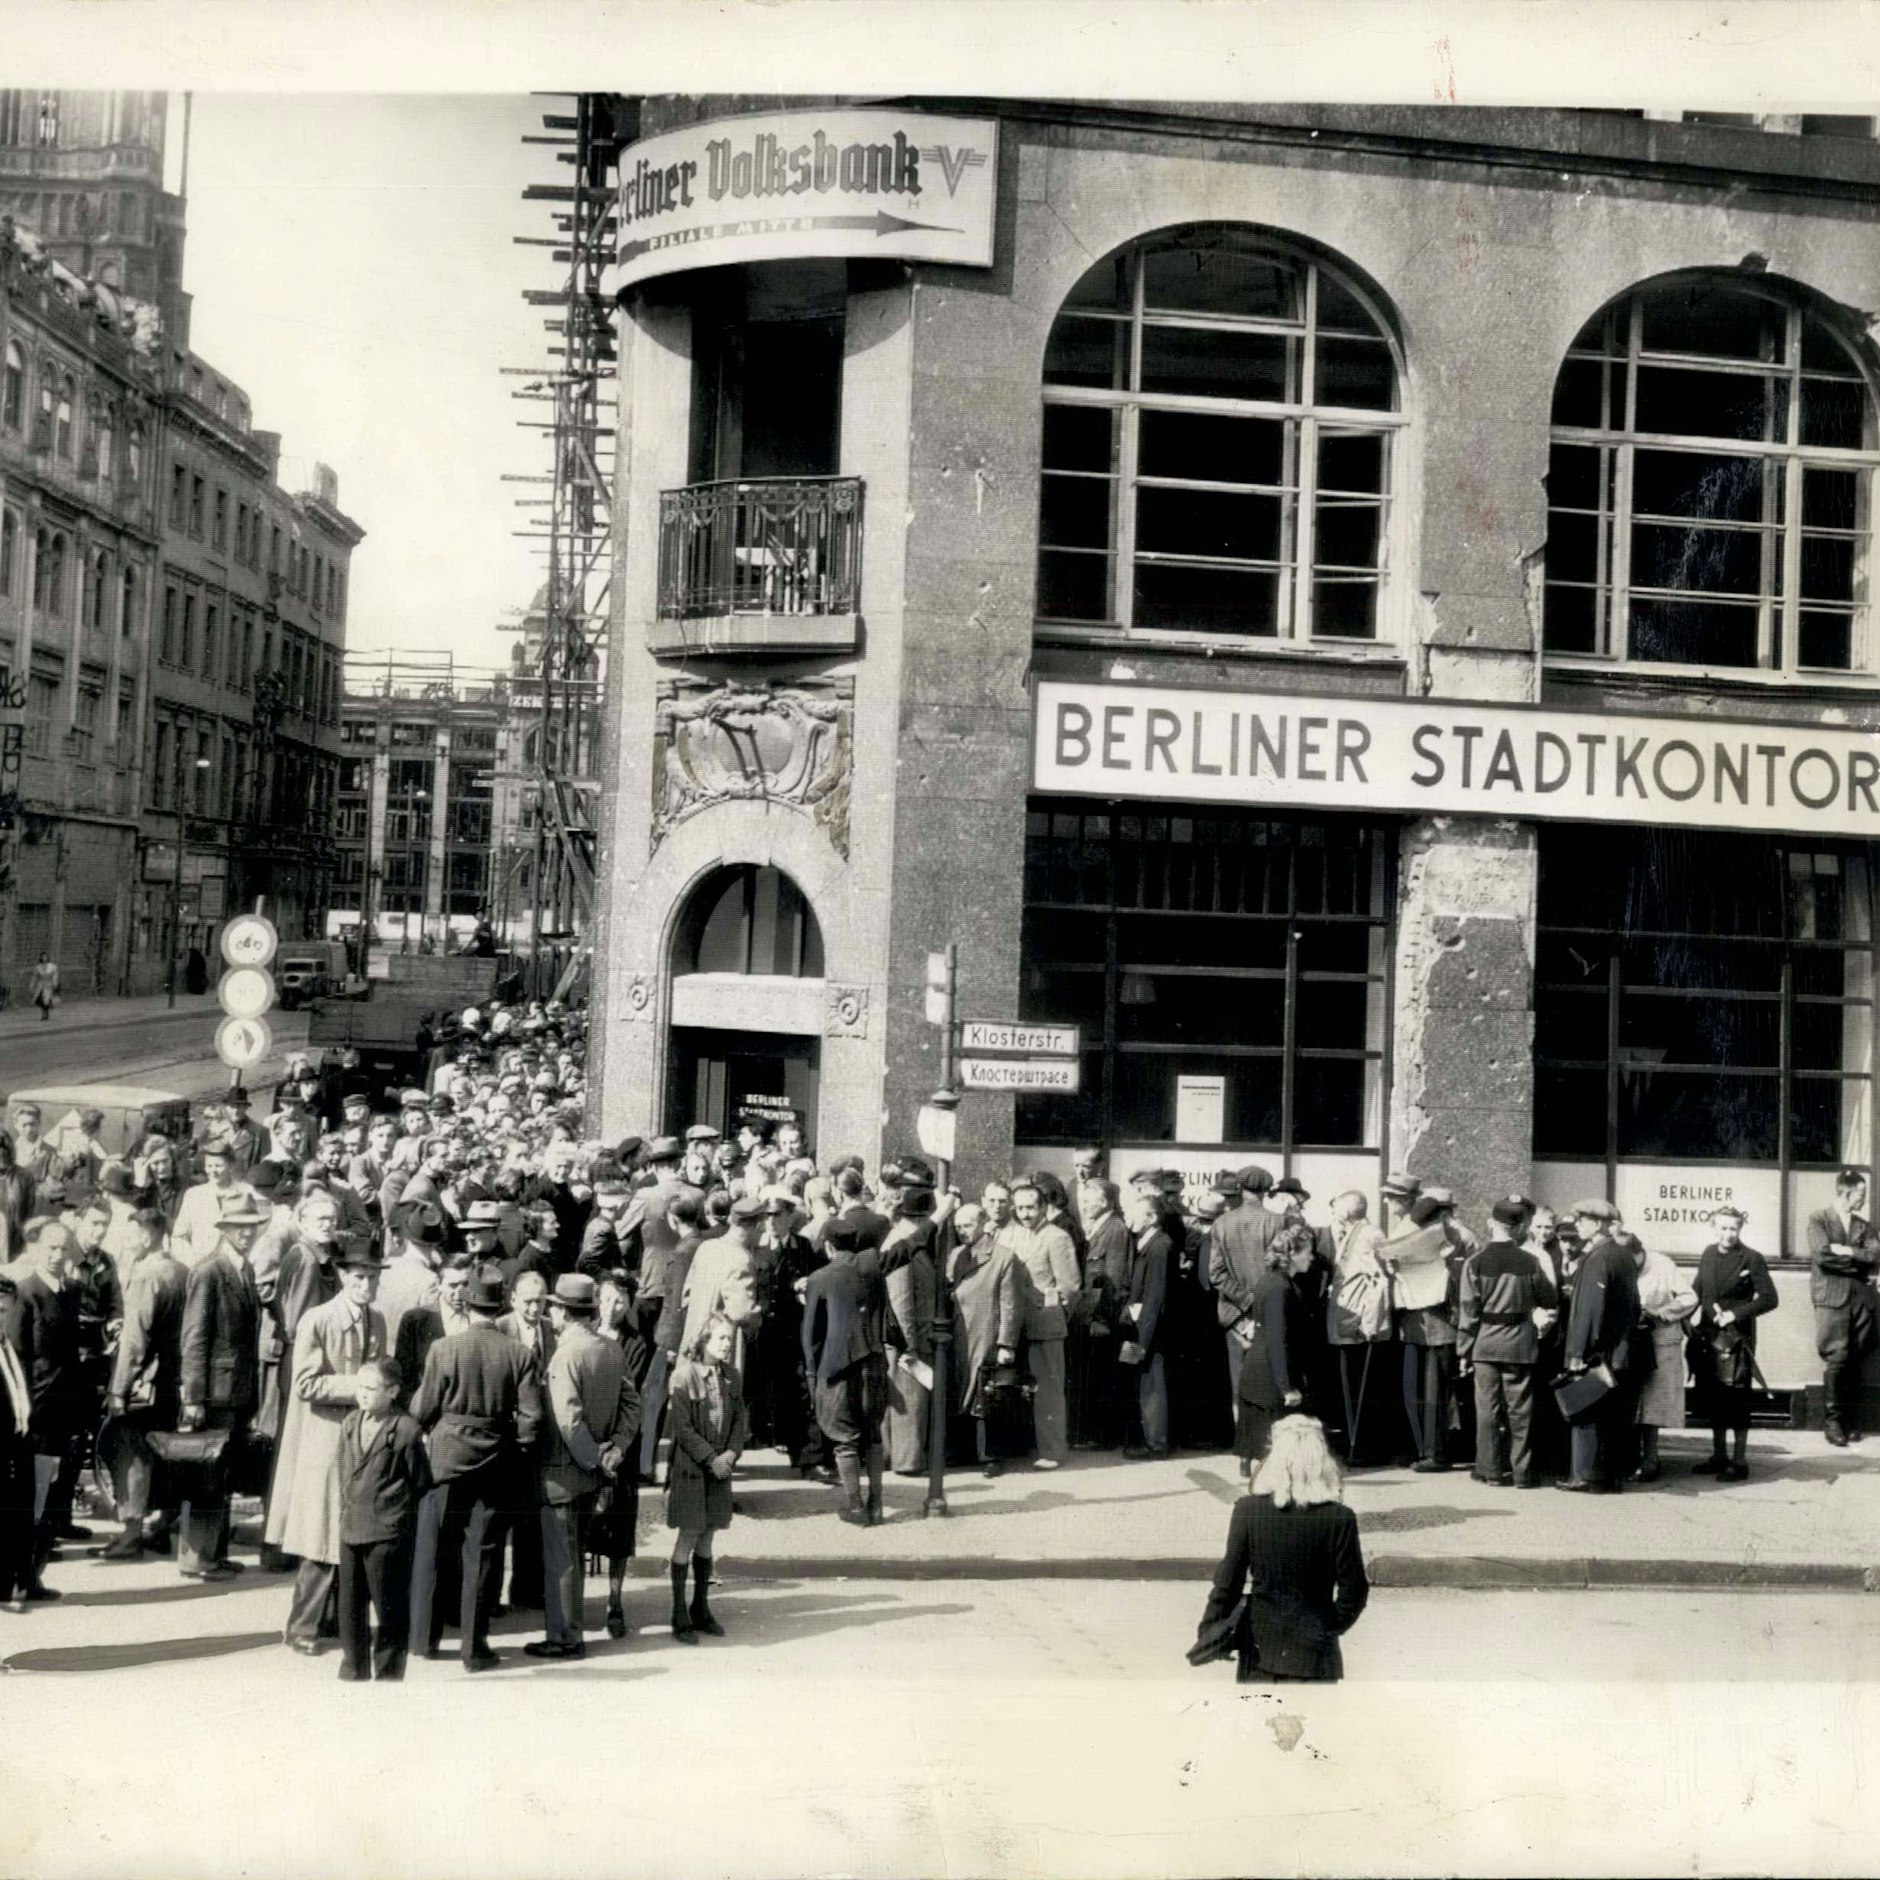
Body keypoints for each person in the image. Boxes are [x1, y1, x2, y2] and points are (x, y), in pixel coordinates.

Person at [410, 1268, 544, 1672]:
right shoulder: (519, 1354)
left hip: (446, 1460)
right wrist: (515, 1446)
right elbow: (532, 1419)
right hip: (495, 1464)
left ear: (467, 1305)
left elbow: (421, 1409)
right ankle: (474, 1648)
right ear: (501, 1306)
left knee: (435, 1549)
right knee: (483, 1555)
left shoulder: (443, 1349)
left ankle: (424, 1640)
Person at [269, 1243, 389, 1655]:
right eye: (359, 1277)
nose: (366, 1285)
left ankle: (340, 1619)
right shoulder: (318, 1320)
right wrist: (360, 1387)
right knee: (319, 1536)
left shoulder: (377, 1320)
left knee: (352, 1533)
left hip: (361, 1440)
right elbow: (305, 1383)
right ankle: (302, 1627)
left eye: (373, 1277)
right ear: (341, 1276)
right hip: (323, 1441)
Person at [1193, 1415, 1369, 1684]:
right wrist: (1328, 1627)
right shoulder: (1339, 1517)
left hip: (1260, 1649)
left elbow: (1228, 1580)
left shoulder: (1248, 1510)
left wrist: (1210, 1630)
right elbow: (1354, 1591)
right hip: (1314, 1656)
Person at [528, 1273, 640, 1660]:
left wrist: (596, 1459)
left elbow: (569, 1421)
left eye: (554, 1308)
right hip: (593, 1475)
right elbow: (633, 1404)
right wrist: (615, 1450)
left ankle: (566, 1638)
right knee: (573, 1555)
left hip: (563, 1474)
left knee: (563, 1559)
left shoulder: (565, 1356)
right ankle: (569, 1631)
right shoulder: (610, 1349)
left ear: (563, 1311)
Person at [176, 1195, 267, 1581]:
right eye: (238, 1227)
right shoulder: (209, 1271)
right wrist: (194, 1395)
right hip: (214, 1392)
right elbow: (194, 1338)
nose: (246, 1233)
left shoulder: (244, 1269)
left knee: (222, 1473)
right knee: (206, 1474)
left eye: (251, 1226)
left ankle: (214, 1553)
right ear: (224, 1229)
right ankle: (196, 1557)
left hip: (237, 1391)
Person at [335, 1357, 429, 1682]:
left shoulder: (406, 1430)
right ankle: (354, 1670)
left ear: (392, 1391)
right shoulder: (350, 1423)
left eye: (371, 1388)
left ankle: (389, 1673)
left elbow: (420, 1481)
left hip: (387, 1533)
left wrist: (395, 1514)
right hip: (351, 1528)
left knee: (389, 1608)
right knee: (349, 1607)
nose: (363, 1394)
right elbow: (343, 1470)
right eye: (360, 1387)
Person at [101, 1206, 187, 1561]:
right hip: (172, 1380)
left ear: (148, 1236)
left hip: (144, 1382)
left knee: (130, 1454)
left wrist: (118, 1389)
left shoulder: (146, 1275)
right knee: (162, 1454)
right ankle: (161, 1528)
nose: (126, 1243)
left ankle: (131, 1534)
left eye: (131, 1236)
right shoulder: (181, 1270)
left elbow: (135, 1341)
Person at [1456, 1198, 1557, 1488]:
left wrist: (1464, 1350)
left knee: (1487, 1410)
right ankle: (1522, 1472)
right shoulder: (1531, 1261)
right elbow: (1549, 1298)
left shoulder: (1475, 1263)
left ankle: (1490, 1470)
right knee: (1520, 1410)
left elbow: (1468, 1311)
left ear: (1492, 1224)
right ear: (1520, 1227)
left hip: (1486, 1343)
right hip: (1520, 1344)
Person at [665, 1312, 747, 1643]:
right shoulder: (683, 1377)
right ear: (705, 1339)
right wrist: (711, 1459)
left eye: (730, 1338)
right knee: (689, 1535)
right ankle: (678, 1613)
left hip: (719, 1471)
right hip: (692, 1472)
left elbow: (740, 1421)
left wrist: (731, 1454)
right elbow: (682, 1429)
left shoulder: (732, 1377)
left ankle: (700, 1607)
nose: (727, 1344)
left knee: (708, 1535)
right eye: (721, 1338)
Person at [802, 1219, 890, 1526]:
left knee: (845, 1440)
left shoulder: (820, 1278)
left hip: (837, 1367)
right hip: (874, 1361)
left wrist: (812, 1374)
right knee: (873, 1434)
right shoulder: (873, 1272)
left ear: (828, 1246)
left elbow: (810, 1334)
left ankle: (855, 1506)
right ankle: (877, 1503)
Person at [1557, 1198, 1643, 1494]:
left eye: (1583, 1220)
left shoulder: (1597, 1258)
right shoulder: (1623, 1255)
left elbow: (1590, 1311)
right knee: (1613, 1417)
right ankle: (1609, 1477)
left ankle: (1584, 1475)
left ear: (1598, 1224)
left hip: (1598, 1352)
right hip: (1620, 1350)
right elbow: (1634, 1306)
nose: (1578, 1225)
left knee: (1586, 1412)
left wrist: (1577, 1353)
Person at [12, 1220, 79, 1594]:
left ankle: (33, 1574)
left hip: (63, 1411)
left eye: (63, 1248)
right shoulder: (25, 1293)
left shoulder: (70, 1291)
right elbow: (17, 1357)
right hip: (35, 1412)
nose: (57, 1255)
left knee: (51, 1493)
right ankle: (22, 1576)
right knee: (32, 1495)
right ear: (34, 1249)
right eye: (50, 1248)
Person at [1687, 1206, 1778, 1483]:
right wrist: (1684, 1316)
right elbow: (1698, 1291)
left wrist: (1735, 1314)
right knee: (1713, 1395)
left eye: (1733, 1229)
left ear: (1740, 1229)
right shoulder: (1708, 1254)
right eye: (1723, 1228)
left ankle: (1739, 1461)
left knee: (1736, 1398)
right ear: (1714, 1228)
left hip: (1736, 1339)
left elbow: (1769, 1298)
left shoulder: (1751, 1258)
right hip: (1709, 1336)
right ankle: (1719, 1455)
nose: (1728, 1234)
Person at [1004, 1180, 1079, 1470]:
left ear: (1044, 1207)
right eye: (1020, 1208)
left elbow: (1069, 1286)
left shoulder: (1057, 1237)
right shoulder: (1012, 1235)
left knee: (1048, 1389)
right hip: (1015, 1325)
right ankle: (1021, 1446)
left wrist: (1051, 1314)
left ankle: (1052, 1450)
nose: (1025, 1214)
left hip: (1045, 1324)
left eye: (1030, 1208)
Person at [1235, 1222, 1321, 1477]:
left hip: (1257, 1374)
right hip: (1269, 1380)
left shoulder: (1272, 1281)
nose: (1312, 1257)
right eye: (1308, 1252)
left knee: (1259, 1448)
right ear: (1292, 1254)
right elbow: (1277, 1340)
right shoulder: (1279, 1288)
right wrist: (1286, 1387)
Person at [592, 1269, 650, 1638]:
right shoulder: (583, 1333)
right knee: (584, 1521)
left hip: (621, 1442)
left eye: (619, 1301)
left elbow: (626, 1391)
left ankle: (615, 1601)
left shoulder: (636, 1344)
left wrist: (614, 1443)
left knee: (620, 1523)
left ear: (629, 1304)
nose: (611, 1307)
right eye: (606, 1299)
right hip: (585, 1440)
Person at [1806, 1167, 1878, 1447]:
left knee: (1856, 1358)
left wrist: (1846, 1250)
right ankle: (1833, 1422)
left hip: (1862, 1300)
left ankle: (1851, 1421)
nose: (1864, 1199)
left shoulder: (1864, 1226)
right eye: (1861, 1193)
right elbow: (1822, 1256)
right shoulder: (1819, 1219)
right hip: (1832, 1298)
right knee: (1837, 1357)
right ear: (1846, 1192)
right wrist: (1856, 1264)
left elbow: (1874, 1255)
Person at [1324, 1191, 1392, 1466]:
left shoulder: (1369, 1235)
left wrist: (1369, 1324)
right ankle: (1356, 1443)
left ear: (1347, 1210)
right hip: (1347, 1324)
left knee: (1361, 1390)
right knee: (1350, 1388)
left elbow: (1379, 1283)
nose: (1334, 1211)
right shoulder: (1354, 1233)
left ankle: (1364, 1448)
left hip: (1357, 1328)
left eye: (1337, 1206)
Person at [1209, 1164, 1282, 1401]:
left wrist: (1246, 1301)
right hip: (1269, 1313)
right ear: (1266, 1191)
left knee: (1238, 1385)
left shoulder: (1222, 1223)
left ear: (1239, 1188)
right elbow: (1281, 1272)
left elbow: (1216, 1274)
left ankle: (1240, 1423)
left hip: (1235, 1315)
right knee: (1268, 1383)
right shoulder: (1278, 1223)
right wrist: (1258, 1302)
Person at [1630, 1230, 1697, 1482]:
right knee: (1633, 1402)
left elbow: (1690, 1297)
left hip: (1660, 1342)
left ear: (1640, 1252)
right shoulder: (1621, 1266)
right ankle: (1631, 1457)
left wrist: (1662, 1312)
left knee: (1653, 1404)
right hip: (1631, 1342)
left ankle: (1650, 1458)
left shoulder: (1662, 1264)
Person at [1117, 1184, 1170, 1459]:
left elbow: (1155, 1298)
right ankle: (1151, 1438)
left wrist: (1143, 1341)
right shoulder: (1148, 1244)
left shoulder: (1159, 1247)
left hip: (1149, 1331)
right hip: (1143, 1327)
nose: (1130, 1219)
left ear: (1151, 1217)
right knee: (1145, 1382)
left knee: (1152, 1384)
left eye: (1135, 1214)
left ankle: (1156, 1442)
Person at [0, 1272, 34, 1607]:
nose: (2, 1318)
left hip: (16, 1440)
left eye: (5, 1311)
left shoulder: (6, 1346)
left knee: (18, 1514)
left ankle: (19, 1582)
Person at [29, 951, 58, 1021]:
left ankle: (46, 1014)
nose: (44, 958)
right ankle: (43, 1014)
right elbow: (34, 977)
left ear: (47, 957)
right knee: (40, 1000)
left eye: (45, 957)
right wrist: (31, 984)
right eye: (42, 957)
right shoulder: (38, 967)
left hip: (49, 985)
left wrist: (54, 983)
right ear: (40, 958)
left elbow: (55, 976)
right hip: (41, 985)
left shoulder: (52, 966)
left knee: (46, 1000)